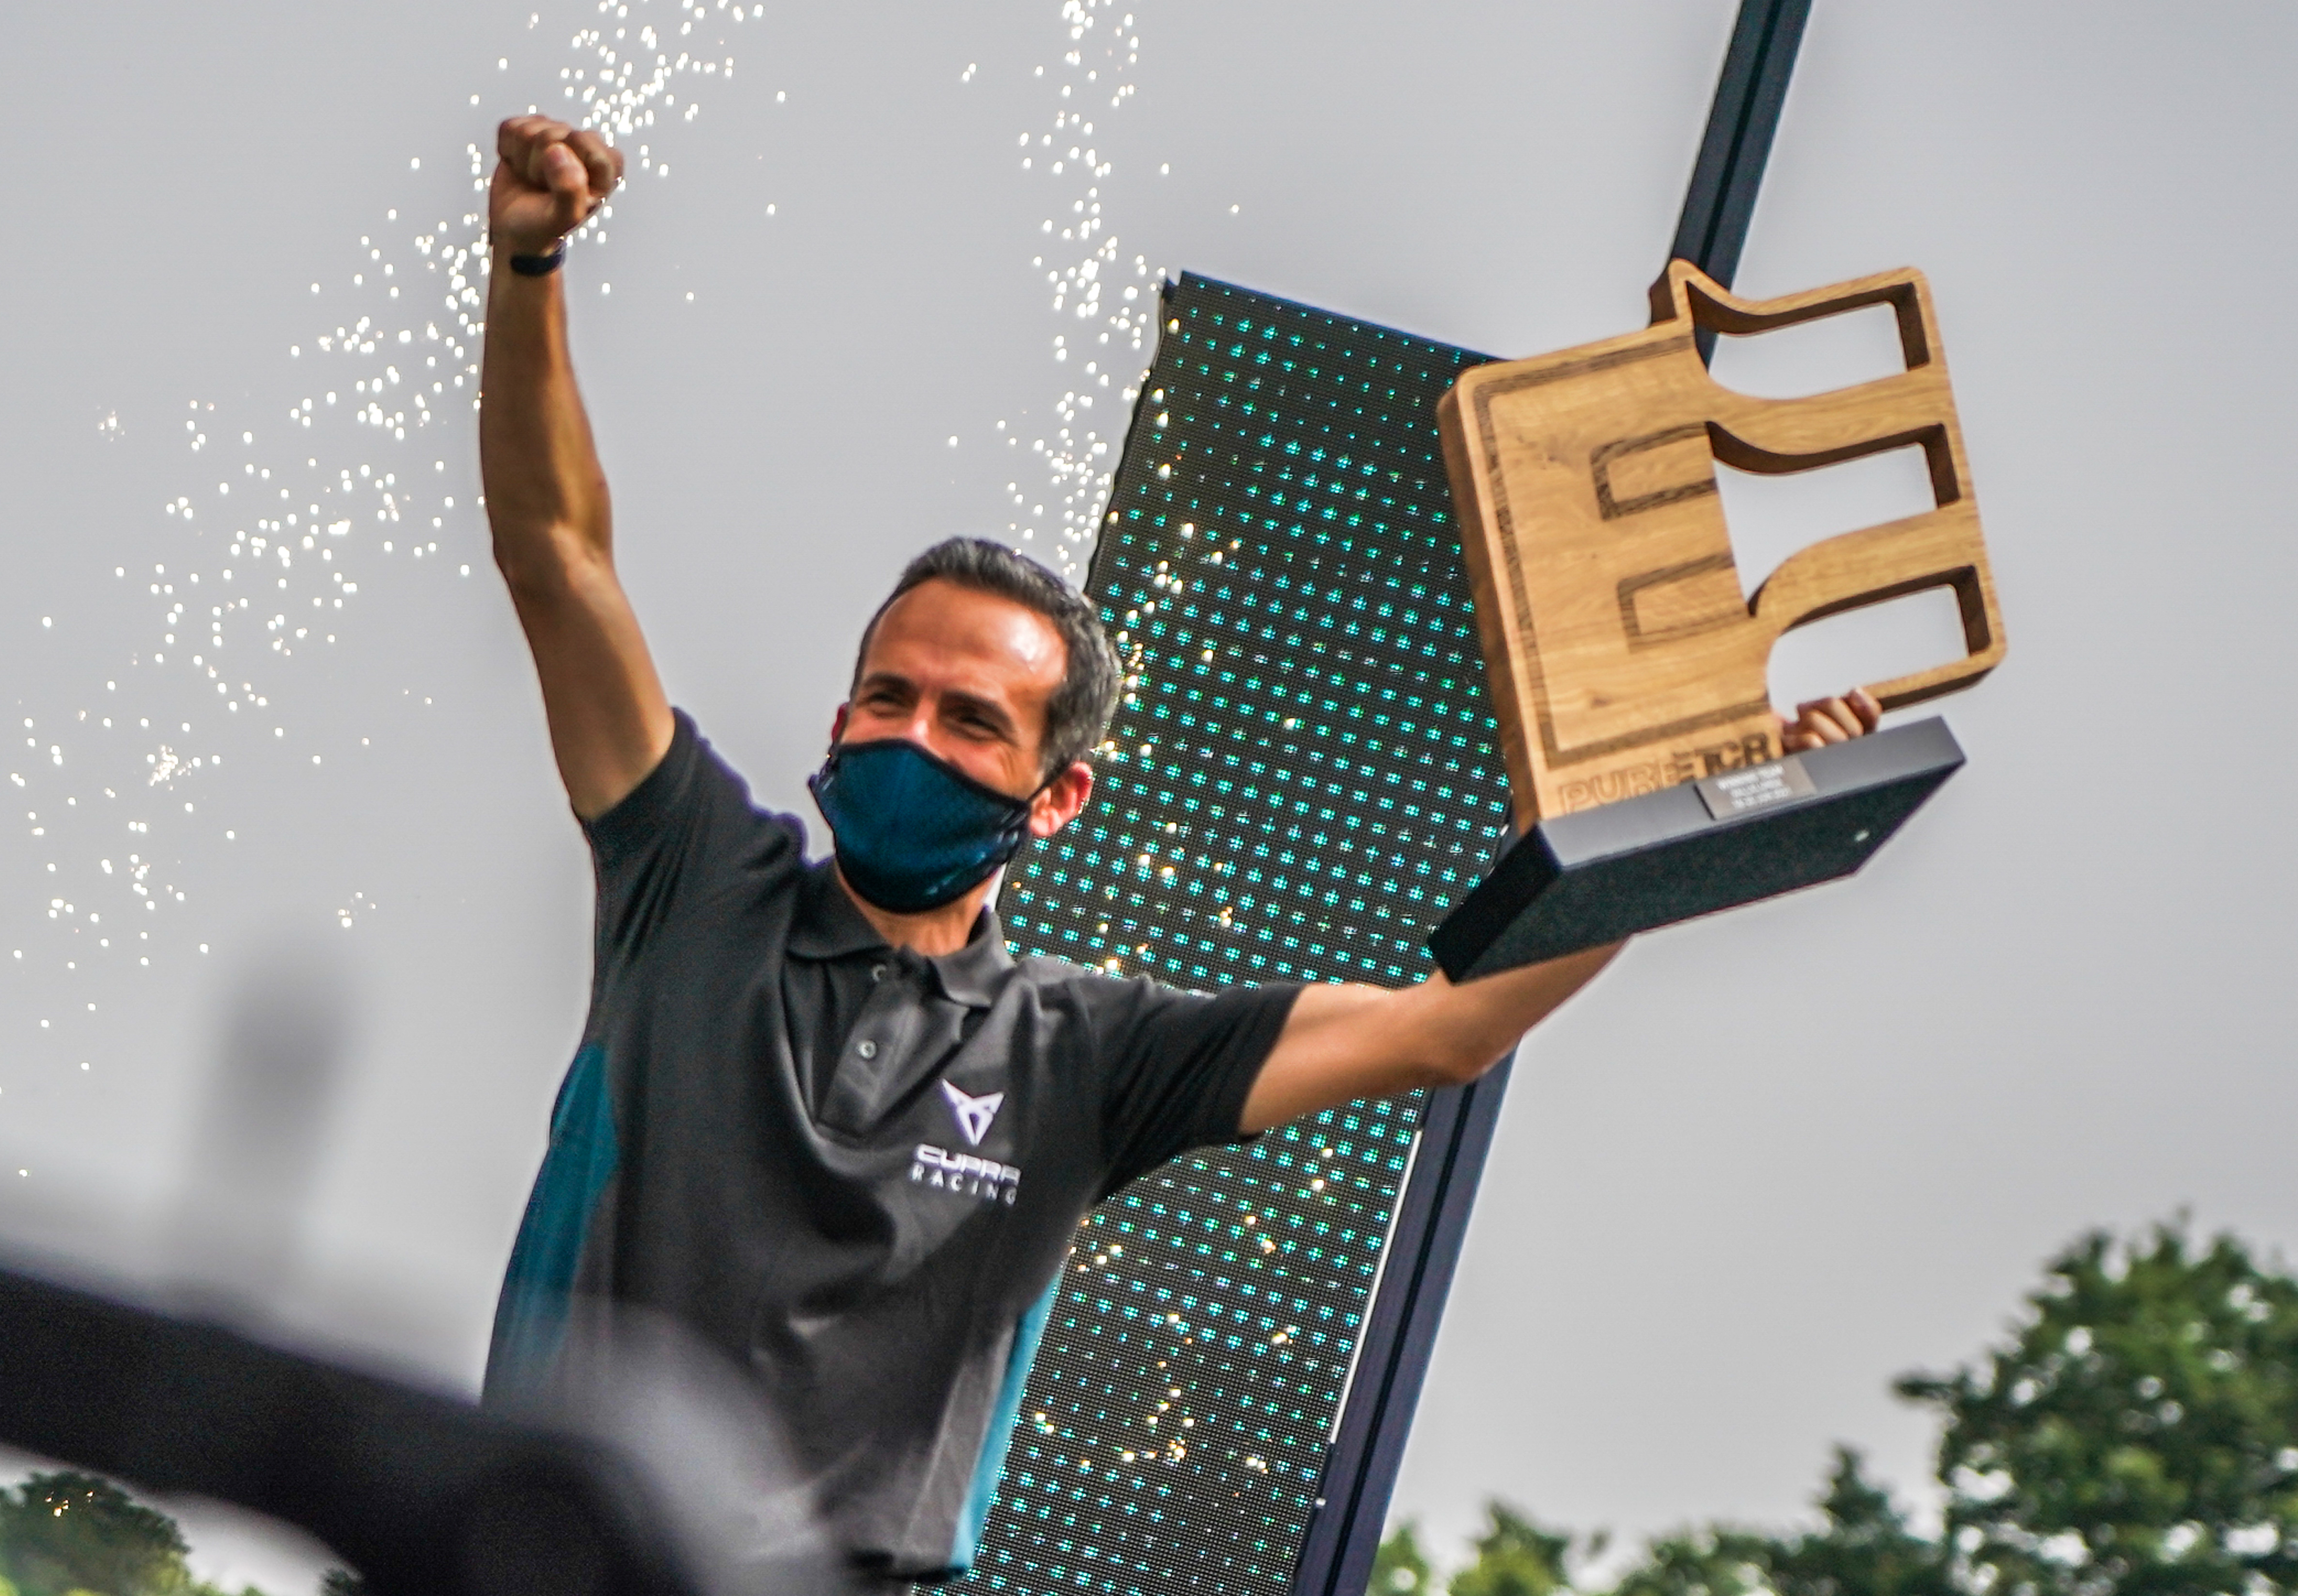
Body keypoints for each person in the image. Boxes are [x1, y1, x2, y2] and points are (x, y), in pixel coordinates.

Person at [471, 116, 1884, 1584]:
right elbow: (557, 557)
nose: (914, 739)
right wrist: (529, 266)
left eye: (972, 721)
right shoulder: (694, 882)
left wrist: (1712, 818)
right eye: (889, 699)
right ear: (840, 717)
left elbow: (1450, 1027)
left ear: (1057, 795)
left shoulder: (1084, 1053)